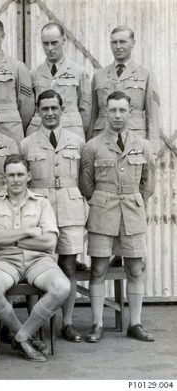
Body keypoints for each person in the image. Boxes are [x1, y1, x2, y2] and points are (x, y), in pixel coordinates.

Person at [79, 91, 155, 342]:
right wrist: (102, 200)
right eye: (113, 110)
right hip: (102, 212)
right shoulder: (93, 146)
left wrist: (134, 200)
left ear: (130, 113)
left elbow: (148, 183)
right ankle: (97, 324)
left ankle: (136, 323)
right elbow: (86, 184)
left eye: (122, 110)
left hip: (132, 213)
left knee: (134, 269)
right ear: (105, 112)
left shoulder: (143, 145)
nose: (118, 115)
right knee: (98, 268)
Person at [0, 154, 71, 362]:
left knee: (62, 287)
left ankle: (21, 336)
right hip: (3, 260)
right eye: (11, 175)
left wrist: (11, 239)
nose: (15, 179)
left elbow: (49, 243)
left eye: (20, 174)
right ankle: (23, 335)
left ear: (29, 176)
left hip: (38, 260)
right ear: (4, 177)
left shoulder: (42, 203)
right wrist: (29, 231)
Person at [21, 90, 87, 342]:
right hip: (39, 210)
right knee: (36, 264)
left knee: (69, 264)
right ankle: (34, 322)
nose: (49, 113)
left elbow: (84, 180)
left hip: (70, 209)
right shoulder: (27, 143)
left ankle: (67, 322)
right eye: (45, 108)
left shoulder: (77, 142)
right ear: (37, 111)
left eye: (54, 108)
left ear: (62, 110)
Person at [90, 26, 160, 154]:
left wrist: (153, 150)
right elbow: (92, 114)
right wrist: (89, 146)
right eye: (114, 42)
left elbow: (153, 116)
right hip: (102, 140)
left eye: (122, 42)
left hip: (135, 140)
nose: (117, 46)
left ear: (133, 43)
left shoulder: (146, 75)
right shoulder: (98, 76)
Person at [27, 22, 91, 140]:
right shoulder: (34, 74)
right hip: (40, 133)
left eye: (54, 43)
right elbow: (29, 109)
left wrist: (77, 130)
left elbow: (86, 111)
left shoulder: (79, 72)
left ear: (64, 40)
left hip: (71, 133)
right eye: (45, 44)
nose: (50, 48)